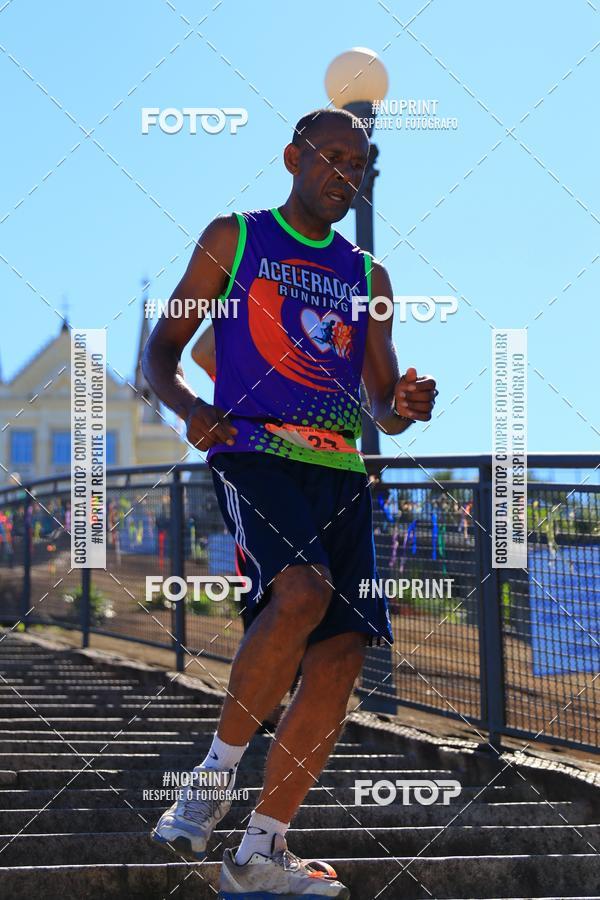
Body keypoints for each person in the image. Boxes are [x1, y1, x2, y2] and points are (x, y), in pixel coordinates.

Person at [143, 107, 437, 899]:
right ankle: (208, 787)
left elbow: (380, 399)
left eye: (359, 163)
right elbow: (160, 353)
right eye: (331, 156)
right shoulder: (232, 238)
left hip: (340, 470)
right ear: (292, 157)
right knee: (299, 594)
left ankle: (260, 855)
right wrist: (185, 405)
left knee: (342, 661)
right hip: (256, 453)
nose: (345, 172)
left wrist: (405, 402)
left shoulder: (367, 277)